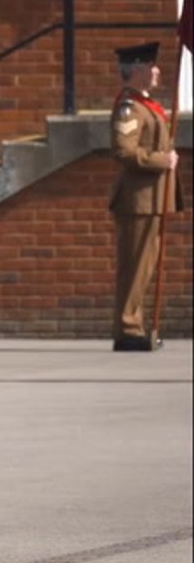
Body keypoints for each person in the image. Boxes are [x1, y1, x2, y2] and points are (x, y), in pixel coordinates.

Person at [108, 42, 183, 352]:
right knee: (135, 265)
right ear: (136, 70)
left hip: (153, 198)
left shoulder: (146, 104)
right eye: (151, 66)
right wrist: (160, 160)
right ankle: (128, 328)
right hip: (138, 199)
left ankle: (134, 324)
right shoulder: (129, 107)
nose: (157, 71)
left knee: (144, 265)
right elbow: (124, 150)